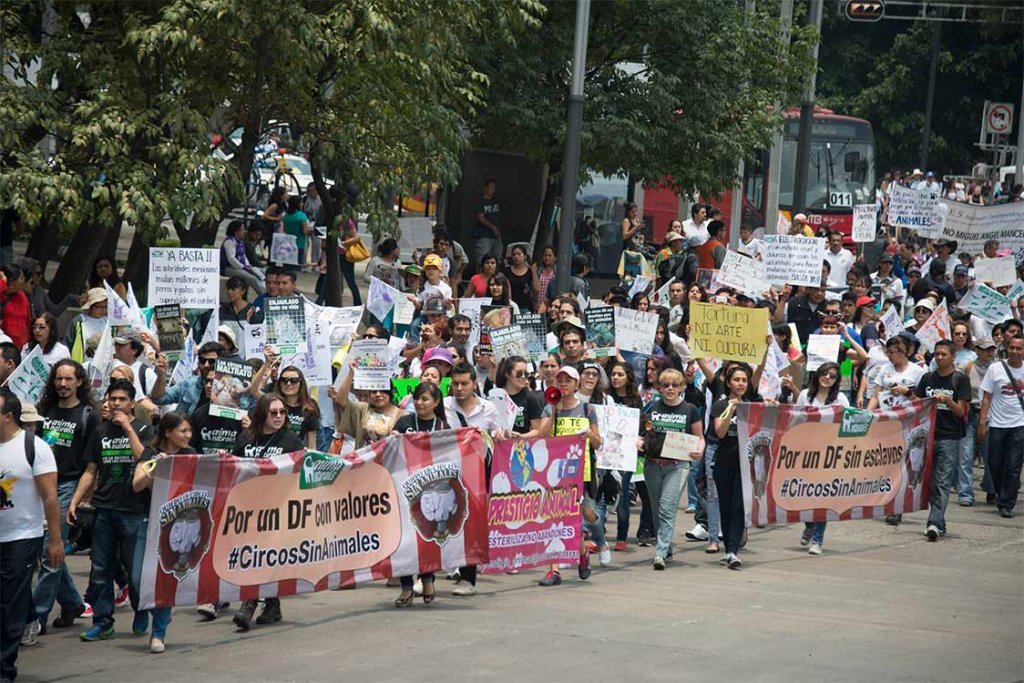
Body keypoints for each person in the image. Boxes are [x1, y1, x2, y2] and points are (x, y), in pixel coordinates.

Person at [68, 379, 155, 642]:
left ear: (131, 402)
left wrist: (128, 429)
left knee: (135, 571)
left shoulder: (144, 429)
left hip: (133, 511)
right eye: (112, 398)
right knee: (101, 569)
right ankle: (103, 621)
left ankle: (142, 609)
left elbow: (145, 459)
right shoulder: (100, 432)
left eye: (121, 399)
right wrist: (75, 500)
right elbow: (91, 470)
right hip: (104, 509)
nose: (115, 403)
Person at [0, 389, 63, 682]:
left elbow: (50, 498)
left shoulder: (34, 447)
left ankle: (5, 669)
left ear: (7, 416)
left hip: (22, 537)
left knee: (9, 603)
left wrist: (55, 539)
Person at [229, 393, 305, 631]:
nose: (279, 416)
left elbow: (302, 469)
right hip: (249, 507)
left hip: (278, 508)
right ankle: (272, 605)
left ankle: (249, 604)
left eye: (282, 412)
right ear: (262, 414)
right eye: (274, 412)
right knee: (254, 554)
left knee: (260, 555)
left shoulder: (291, 440)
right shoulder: (246, 437)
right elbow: (235, 467)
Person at [32, 360, 96, 634]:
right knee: (45, 551)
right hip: (40, 485)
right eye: (58, 378)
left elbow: (93, 463)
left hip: (68, 485)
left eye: (68, 379)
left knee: (50, 552)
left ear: (79, 382)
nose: (63, 384)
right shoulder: (44, 410)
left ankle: (35, 618)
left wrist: (81, 498)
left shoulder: (88, 415)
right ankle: (71, 602)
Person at [130, 413, 194, 653]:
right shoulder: (149, 454)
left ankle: (158, 633)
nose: (187, 436)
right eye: (182, 431)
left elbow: (216, 473)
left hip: (177, 527)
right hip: (148, 524)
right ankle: (142, 608)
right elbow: (137, 485)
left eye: (189, 431)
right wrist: (156, 465)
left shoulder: (192, 455)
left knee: (165, 580)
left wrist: (220, 459)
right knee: (137, 578)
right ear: (167, 432)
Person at [538, 366, 603, 586]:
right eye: (560, 380)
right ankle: (553, 570)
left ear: (576, 384)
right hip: (553, 472)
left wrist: (589, 435)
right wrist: (554, 411)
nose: (563, 384)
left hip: (579, 472)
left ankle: (582, 552)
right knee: (553, 519)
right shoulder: (549, 408)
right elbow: (542, 435)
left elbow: (598, 442)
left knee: (573, 518)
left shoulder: (586, 409)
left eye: (568, 380)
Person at [444, 363, 503, 596]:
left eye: (464, 384)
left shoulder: (488, 409)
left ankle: (468, 579)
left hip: (476, 476)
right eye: (455, 384)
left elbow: (498, 435)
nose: (459, 388)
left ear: (473, 384)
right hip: (446, 474)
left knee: (470, 526)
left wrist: (499, 435)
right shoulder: (444, 405)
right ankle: (427, 575)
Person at [390, 383, 448, 607]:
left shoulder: (443, 425)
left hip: (432, 490)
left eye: (425, 399)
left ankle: (428, 580)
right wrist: (393, 438)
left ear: (436, 402)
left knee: (427, 538)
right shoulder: (404, 422)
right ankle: (406, 587)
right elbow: (391, 449)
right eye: (417, 398)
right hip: (404, 488)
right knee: (404, 539)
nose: (420, 403)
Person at [643, 368, 703, 570]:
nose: (670, 388)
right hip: (653, 464)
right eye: (665, 385)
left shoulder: (690, 409)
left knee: (666, 508)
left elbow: (699, 438)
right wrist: (638, 441)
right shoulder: (651, 406)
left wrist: (698, 451)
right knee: (655, 508)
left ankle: (659, 553)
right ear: (659, 387)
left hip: (677, 466)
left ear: (682, 388)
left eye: (674, 385)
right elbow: (641, 432)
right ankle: (665, 546)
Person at [789, 361, 848, 554]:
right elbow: (794, 419)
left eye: (832, 376)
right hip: (806, 453)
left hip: (830, 454)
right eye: (825, 374)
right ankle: (809, 524)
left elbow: (849, 422)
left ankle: (817, 540)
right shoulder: (805, 395)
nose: (827, 378)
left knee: (822, 498)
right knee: (804, 496)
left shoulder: (840, 399)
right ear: (818, 374)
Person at [915, 340, 971, 541]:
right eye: (937, 354)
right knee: (928, 481)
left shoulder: (960, 380)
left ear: (953, 357)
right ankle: (939, 521)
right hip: (927, 436)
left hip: (949, 437)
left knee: (942, 481)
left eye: (944, 354)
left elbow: (960, 410)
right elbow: (917, 404)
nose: (939, 357)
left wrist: (947, 400)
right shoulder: (927, 378)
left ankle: (934, 523)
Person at [977, 334, 1024, 518]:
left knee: (1013, 466)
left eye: (1019, 348)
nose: (1015, 351)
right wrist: (982, 421)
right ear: (1007, 348)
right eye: (1012, 347)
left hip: (1020, 425)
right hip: (997, 424)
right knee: (994, 464)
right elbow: (986, 397)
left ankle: (1006, 503)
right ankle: (1001, 491)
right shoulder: (996, 369)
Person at [711, 365, 750, 569]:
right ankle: (728, 549)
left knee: (739, 508)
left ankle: (734, 551)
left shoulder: (752, 406)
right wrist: (731, 409)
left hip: (745, 465)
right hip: (724, 463)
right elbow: (720, 432)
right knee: (726, 508)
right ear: (728, 382)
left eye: (744, 380)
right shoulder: (720, 405)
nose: (740, 384)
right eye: (737, 380)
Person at [251, 365, 320, 449]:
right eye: (284, 380)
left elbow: (312, 445)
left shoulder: (309, 407)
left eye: (294, 381)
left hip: (294, 455)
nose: (288, 384)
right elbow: (254, 390)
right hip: (270, 452)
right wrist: (266, 363)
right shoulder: (273, 401)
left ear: (301, 383)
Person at [964, 336, 997, 506]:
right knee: (966, 454)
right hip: (970, 413)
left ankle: (991, 489)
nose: (989, 352)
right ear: (977, 350)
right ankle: (966, 493)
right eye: (985, 349)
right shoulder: (968, 367)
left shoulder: (997, 368)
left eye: (991, 348)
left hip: (991, 416)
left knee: (990, 456)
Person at [150, 342, 224, 416]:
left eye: (212, 361)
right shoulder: (189, 384)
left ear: (222, 363)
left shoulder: (228, 391)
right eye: (202, 360)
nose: (206, 365)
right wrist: (161, 375)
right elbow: (159, 399)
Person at [221, 221, 266, 295]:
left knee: (260, 272)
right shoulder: (229, 242)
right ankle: (263, 295)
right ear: (236, 232)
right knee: (252, 278)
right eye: (242, 230)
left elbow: (243, 256)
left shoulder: (240, 242)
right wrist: (243, 267)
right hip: (229, 268)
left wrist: (248, 265)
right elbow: (231, 259)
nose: (244, 232)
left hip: (242, 266)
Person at [63, 288, 108, 357]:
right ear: (90, 306)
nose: (103, 310)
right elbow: (67, 344)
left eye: (105, 307)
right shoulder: (79, 321)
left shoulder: (108, 322)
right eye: (99, 307)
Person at [334, 216, 363, 306]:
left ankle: (358, 303)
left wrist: (344, 243)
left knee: (350, 280)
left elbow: (356, 237)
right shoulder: (333, 220)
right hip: (335, 253)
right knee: (329, 278)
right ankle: (320, 300)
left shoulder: (347, 222)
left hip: (345, 254)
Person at [474, 178, 502, 263]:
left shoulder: (496, 201)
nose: (493, 190)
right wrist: (493, 227)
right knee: (482, 259)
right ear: (485, 188)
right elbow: (481, 217)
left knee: (497, 258)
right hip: (484, 234)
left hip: (496, 235)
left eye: (494, 188)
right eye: (491, 187)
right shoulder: (481, 202)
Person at [504, 245, 539, 314]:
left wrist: (534, 272)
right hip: (510, 305)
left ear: (525, 256)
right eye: (514, 255)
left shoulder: (529, 272)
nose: (516, 257)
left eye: (519, 254)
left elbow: (537, 289)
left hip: (525, 306)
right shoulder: (506, 271)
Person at [281, 195, 311, 272]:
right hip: (299, 243)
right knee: (296, 268)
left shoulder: (286, 216)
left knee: (287, 267)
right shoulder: (301, 216)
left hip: (288, 244)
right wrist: (311, 230)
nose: (302, 204)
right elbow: (304, 231)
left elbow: (284, 230)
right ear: (297, 204)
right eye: (301, 202)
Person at [535, 246, 557, 312]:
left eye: (550, 256)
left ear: (555, 258)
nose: (547, 258)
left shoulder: (557, 273)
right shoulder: (537, 271)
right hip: (537, 306)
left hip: (552, 307)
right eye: (545, 255)